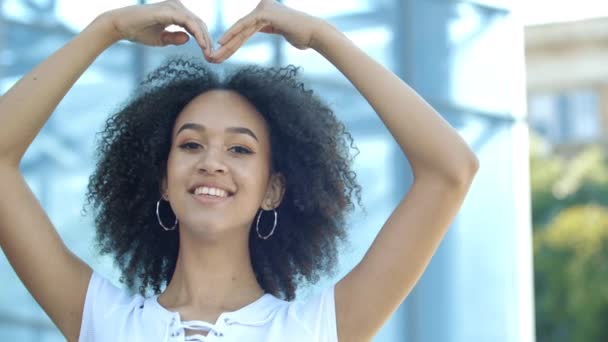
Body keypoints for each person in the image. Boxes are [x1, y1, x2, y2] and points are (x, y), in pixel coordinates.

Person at [0, 0, 479, 341]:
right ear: (163, 180)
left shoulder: (316, 331)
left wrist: (322, 37)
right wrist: (105, 28)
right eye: (191, 144)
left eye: (240, 150)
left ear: (273, 191)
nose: (212, 162)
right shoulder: (101, 321)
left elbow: (450, 169)